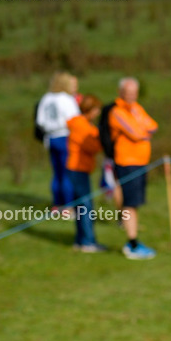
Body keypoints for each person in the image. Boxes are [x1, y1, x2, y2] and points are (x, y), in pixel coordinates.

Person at [109, 77, 159, 259]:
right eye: (128, 92)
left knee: (135, 203)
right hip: (126, 162)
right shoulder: (117, 111)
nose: (131, 96)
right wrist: (141, 130)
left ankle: (134, 240)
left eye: (134, 93)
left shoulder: (137, 108)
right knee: (130, 203)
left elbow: (153, 126)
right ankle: (132, 244)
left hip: (140, 162)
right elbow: (136, 133)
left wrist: (142, 130)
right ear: (120, 92)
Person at [65, 94, 106, 252]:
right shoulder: (80, 125)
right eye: (96, 109)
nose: (98, 113)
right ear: (90, 109)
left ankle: (81, 240)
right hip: (77, 169)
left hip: (80, 168)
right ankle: (88, 242)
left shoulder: (83, 124)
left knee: (81, 205)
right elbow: (92, 146)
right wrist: (103, 140)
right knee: (85, 205)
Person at [36, 71, 81, 208]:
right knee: (67, 173)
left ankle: (57, 204)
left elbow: (40, 121)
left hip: (50, 138)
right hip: (64, 136)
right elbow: (75, 119)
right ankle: (68, 206)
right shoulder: (66, 99)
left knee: (57, 173)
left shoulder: (46, 98)